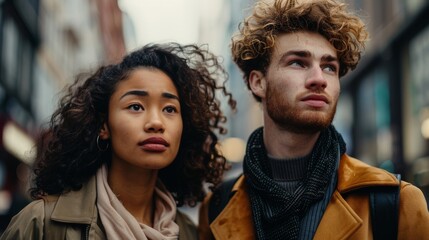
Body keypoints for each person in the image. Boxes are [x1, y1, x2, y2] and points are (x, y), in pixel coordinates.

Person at [198, 0, 429, 239]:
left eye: (330, 67)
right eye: (298, 62)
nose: (319, 79)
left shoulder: (394, 201)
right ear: (258, 82)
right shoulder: (217, 207)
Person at [1, 42, 236, 240]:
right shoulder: (42, 224)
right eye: (136, 106)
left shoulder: (191, 234)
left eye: (169, 109)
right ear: (104, 126)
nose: (156, 122)